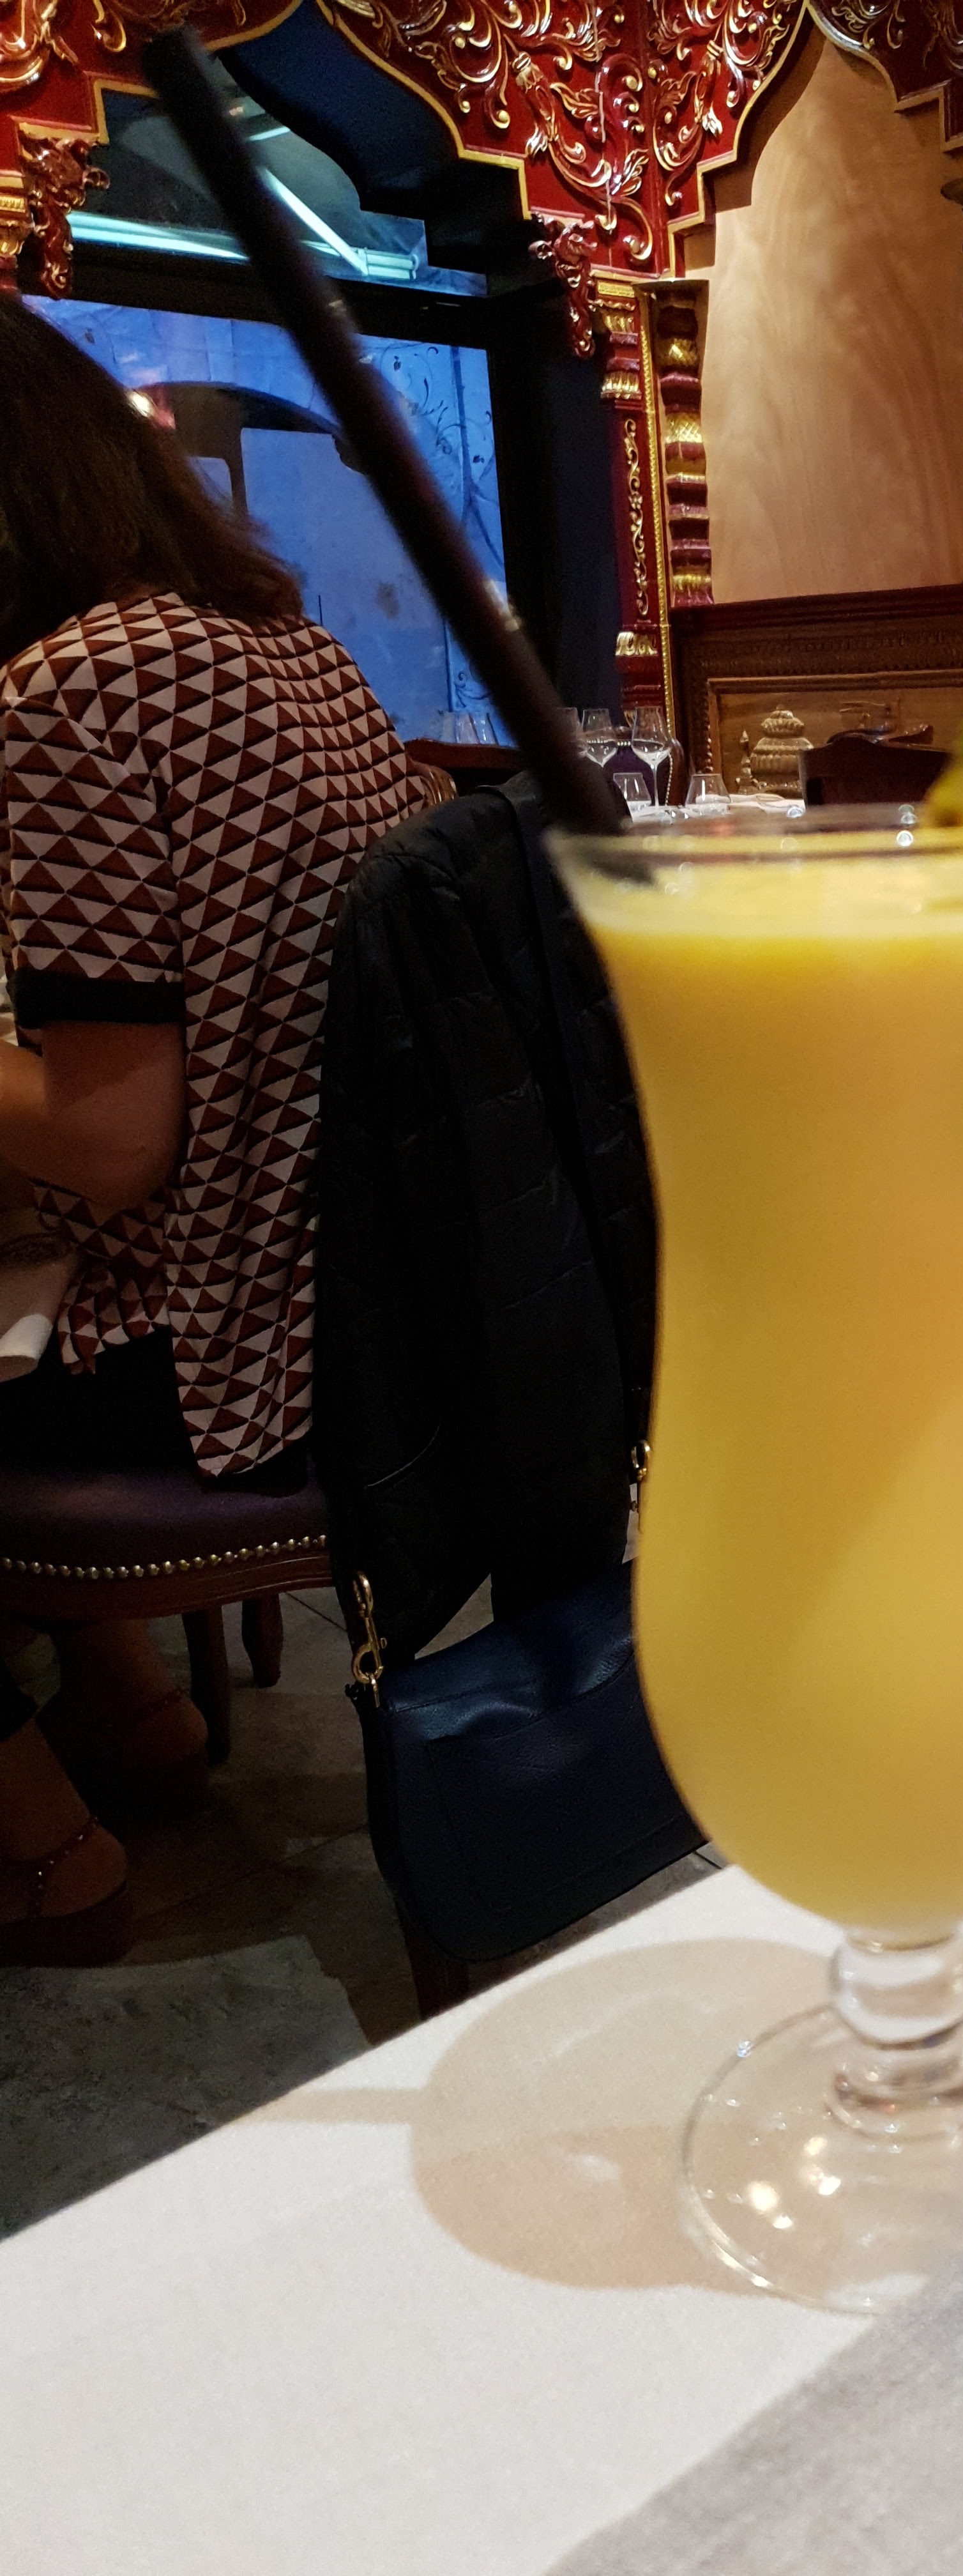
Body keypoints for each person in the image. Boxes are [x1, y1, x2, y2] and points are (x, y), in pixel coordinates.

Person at [0, 298, 422, 1962]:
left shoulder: (67, 689)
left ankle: (45, 1848)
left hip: (221, 1357)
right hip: (367, 1299)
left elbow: (111, 1144)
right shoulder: (274, 645)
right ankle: (132, 1705)